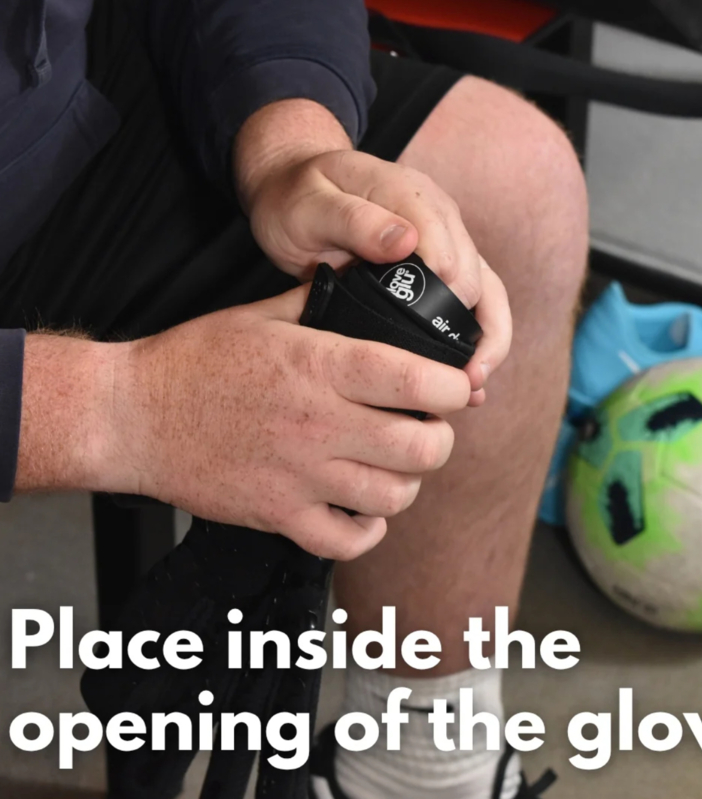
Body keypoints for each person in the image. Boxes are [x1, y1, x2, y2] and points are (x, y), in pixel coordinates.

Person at [0, 1, 588, 797]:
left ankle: (422, 769)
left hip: (44, 112)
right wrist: (114, 409)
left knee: (507, 182)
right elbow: (113, 408)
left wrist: (292, 146)